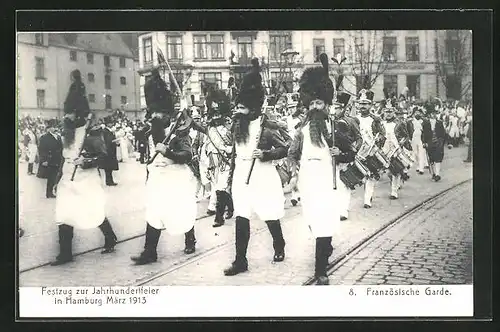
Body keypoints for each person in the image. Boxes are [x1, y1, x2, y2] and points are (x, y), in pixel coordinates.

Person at [223, 58, 289, 276]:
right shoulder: (236, 126)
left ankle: (279, 244)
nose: (237, 111)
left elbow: (285, 148)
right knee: (241, 216)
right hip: (243, 175)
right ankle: (240, 260)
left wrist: (266, 153)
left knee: (269, 214)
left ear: (252, 108)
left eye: (242, 108)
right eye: (237, 107)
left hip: (262, 174)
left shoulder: (267, 127)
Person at [51, 70, 117, 266]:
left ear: (78, 113)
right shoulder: (67, 132)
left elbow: (104, 157)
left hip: (86, 178)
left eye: (70, 113)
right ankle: (65, 253)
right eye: (67, 113)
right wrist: (56, 182)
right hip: (67, 179)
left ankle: (110, 237)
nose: (67, 117)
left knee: (93, 211)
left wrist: (87, 162)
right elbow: (64, 159)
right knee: (64, 214)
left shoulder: (92, 132)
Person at [131, 75, 198, 265]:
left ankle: (190, 238)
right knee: (154, 212)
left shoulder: (179, 131)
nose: (153, 117)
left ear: (167, 115)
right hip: (158, 178)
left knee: (181, 210)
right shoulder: (150, 132)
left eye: (158, 114)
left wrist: (168, 151)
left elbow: (187, 155)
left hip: (176, 176)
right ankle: (149, 252)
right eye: (151, 113)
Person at [287, 53, 342, 285]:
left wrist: (340, 153)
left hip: (328, 182)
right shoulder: (301, 129)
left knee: (323, 222)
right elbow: (291, 153)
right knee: (314, 221)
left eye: (319, 103)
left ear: (326, 104)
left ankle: (321, 270)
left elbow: (350, 151)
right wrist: (293, 171)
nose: (316, 107)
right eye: (312, 103)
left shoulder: (335, 127)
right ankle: (326, 246)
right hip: (308, 182)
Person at [192, 88, 234, 227]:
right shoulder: (209, 127)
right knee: (218, 188)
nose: (215, 116)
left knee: (221, 188)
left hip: (226, 161)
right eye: (213, 112)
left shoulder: (230, 125)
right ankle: (231, 206)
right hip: (212, 163)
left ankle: (219, 217)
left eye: (218, 113)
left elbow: (236, 143)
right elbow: (198, 128)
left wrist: (229, 149)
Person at [330, 91, 363, 220]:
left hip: (345, 156)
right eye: (333, 107)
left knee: (344, 184)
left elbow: (359, 138)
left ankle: (343, 210)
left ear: (343, 108)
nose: (334, 110)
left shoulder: (350, 121)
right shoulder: (328, 120)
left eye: (337, 107)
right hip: (331, 158)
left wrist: (353, 151)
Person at [355, 89, 386, 209]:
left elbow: (382, 134)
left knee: (370, 175)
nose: (362, 106)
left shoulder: (376, 119)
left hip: (371, 151)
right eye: (361, 103)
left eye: (365, 103)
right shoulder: (354, 119)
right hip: (358, 151)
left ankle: (367, 199)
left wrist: (378, 141)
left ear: (370, 105)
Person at [381, 100, 411, 199]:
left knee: (395, 171)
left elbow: (406, 136)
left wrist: (402, 142)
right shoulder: (381, 123)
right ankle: (397, 180)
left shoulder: (399, 123)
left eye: (390, 112)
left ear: (394, 112)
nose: (388, 114)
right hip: (384, 150)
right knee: (389, 172)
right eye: (386, 112)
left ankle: (394, 192)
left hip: (396, 150)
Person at [37, 119, 64, 198]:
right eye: (52, 127)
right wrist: (44, 160)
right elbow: (41, 149)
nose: (54, 128)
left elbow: (60, 148)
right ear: (48, 128)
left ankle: (55, 190)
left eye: (55, 127)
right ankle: (49, 193)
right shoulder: (44, 137)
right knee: (51, 177)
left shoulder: (58, 136)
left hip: (58, 159)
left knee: (57, 175)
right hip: (50, 159)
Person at [422, 103, 446, 182]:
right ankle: (433, 173)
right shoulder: (426, 123)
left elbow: (443, 133)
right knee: (431, 158)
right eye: (431, 113)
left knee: (438, 158)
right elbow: (424, 134)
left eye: (434, 113)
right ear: (429, 114)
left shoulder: (439, 122)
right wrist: (424, 142)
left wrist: (442, 142)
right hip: (430, 142)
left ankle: (437, 174)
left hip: (438, 142)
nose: (433, 115)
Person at [101, 116, 119, 186]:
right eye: (110, 123)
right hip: (108, 151)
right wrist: (115, 141)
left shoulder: (108, 131)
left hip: (110, 151)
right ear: (107, 124)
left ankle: (110, 181)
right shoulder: (106, 131)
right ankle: (109, 182)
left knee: (109, 168)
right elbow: (108, 141)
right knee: (108, 167)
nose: (112, 124)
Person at [410, 106, 426, 175]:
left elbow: (425, 131)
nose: (417, 114)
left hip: (420, 138)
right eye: (416, 112)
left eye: (418, 112)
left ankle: (421, 168)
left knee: (421, 153)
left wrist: (425, 140)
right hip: (413, 138)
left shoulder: (423, 121)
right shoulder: (411, 121)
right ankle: (418, 165)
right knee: (415, 153)